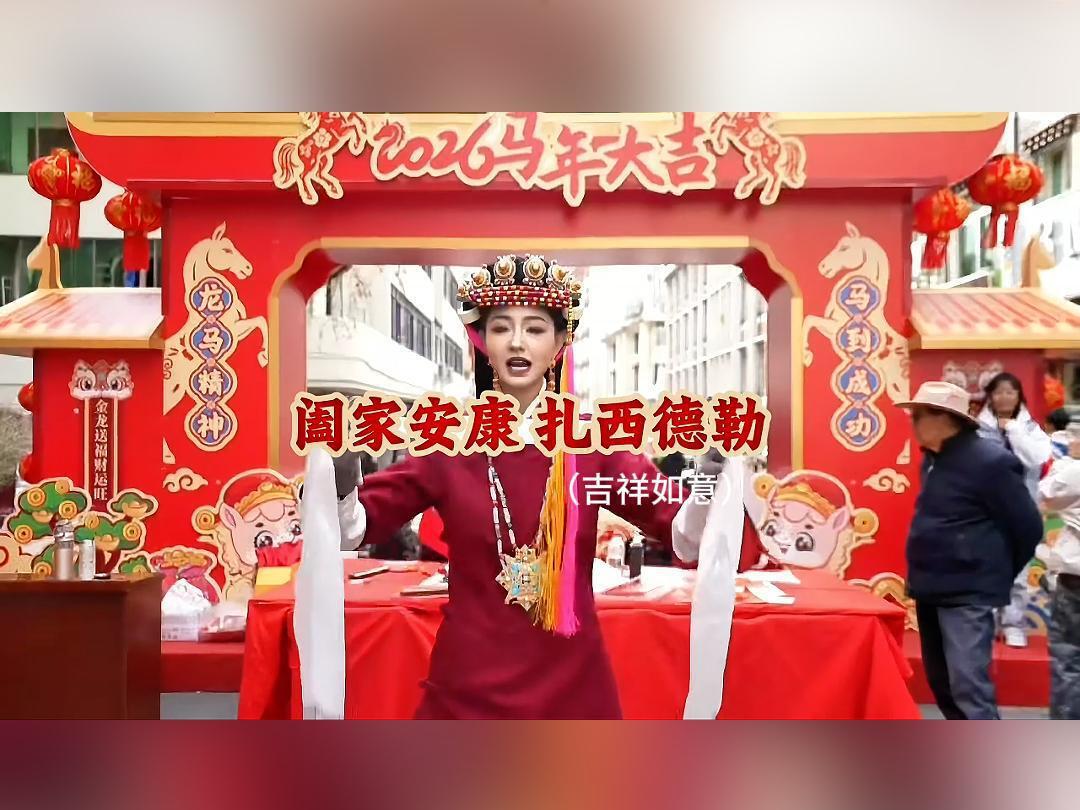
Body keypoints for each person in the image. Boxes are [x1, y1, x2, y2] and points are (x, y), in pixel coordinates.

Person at [320, 255, 740, 719]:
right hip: (468, 692)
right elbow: (352, 531)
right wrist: (341, 478)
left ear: (559, 343)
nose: (517, 341)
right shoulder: (450, 440)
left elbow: (685, 537)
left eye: (535, 328)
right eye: (501, 327)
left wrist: (709, 477)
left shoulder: (591, 440)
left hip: (574, 693)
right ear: (483, 341)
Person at [900, 381, 1043, 720]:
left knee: (968, 686)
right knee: (942, 683)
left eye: (918, 415)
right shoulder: (931, 460)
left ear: (946, 418)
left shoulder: (991, 462)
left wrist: (994, 575)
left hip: (968, 593)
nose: (912, 423)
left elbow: (1028, 526)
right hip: (929, 587)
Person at [976, 372, 1053, 647]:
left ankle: (1013, 624)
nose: (1004, 397)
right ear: (990, 396)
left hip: (1022, 508)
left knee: (1019, 571)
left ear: (1019, 396)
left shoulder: (1031, 429)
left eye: (1010, 392)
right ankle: (987, 623)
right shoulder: (977, 429)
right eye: (998, 392)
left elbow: (1037, 458)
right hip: (987, 510)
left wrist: (1013, 430)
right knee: (987, 567)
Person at [1035, 437, 1080, 719]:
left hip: (1076, 580)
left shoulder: (1075, 471)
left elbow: (1045, 495)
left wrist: (1070, 460)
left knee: (1070, 661)